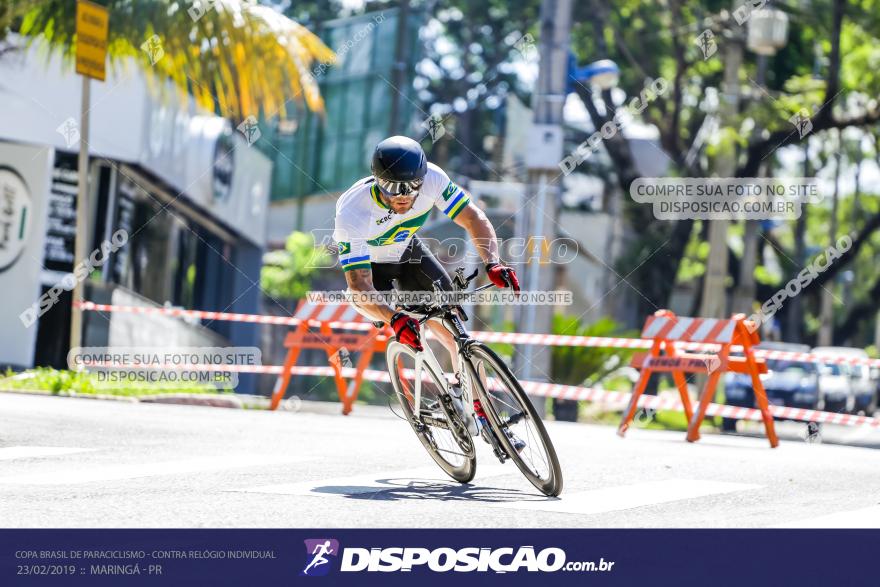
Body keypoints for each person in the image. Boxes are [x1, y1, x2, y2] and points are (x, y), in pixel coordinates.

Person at [333, 136, 521, 440]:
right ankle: (428, 384)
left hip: (407, 251)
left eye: (412, 187)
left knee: (454, 327)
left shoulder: (433, 178)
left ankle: (485, 414)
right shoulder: (353, 211)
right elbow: (358, 286)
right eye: (394, 187)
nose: (404, 196)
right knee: (400, 320)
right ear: (377, 181)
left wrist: (493, 263)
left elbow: (473, 218)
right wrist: (393, 316)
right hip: (371, 270)